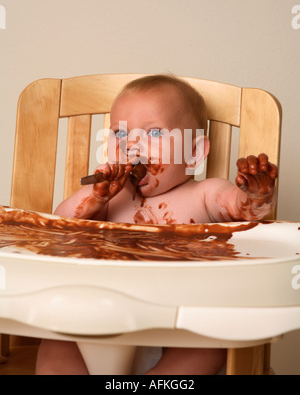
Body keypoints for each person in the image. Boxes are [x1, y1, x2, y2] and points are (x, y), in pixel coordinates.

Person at [35, 74, 278, 375]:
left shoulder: (204, 194)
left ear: (194, 152)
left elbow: (245, 211)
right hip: (101, 319)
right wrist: (94, 200)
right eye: (120, 135)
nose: (133, 145)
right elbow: (57, 228)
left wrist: (256, 195)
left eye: (154, 133)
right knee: (56, 338)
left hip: (182, 321)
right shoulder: (108, 198)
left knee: (213, 338)